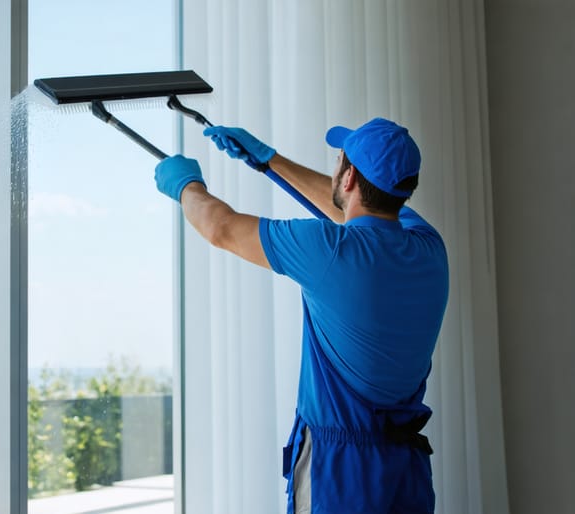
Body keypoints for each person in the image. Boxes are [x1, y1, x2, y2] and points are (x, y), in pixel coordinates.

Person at [154, 118, 449, 514]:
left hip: (340, 473)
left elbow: (220, 227)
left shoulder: (328, 251)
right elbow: (358, 213)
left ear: (347, 180)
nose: (335, 169)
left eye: (340, 161)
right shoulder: (429, 248)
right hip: (405, 470)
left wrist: (185, 185)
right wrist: (269, 161)